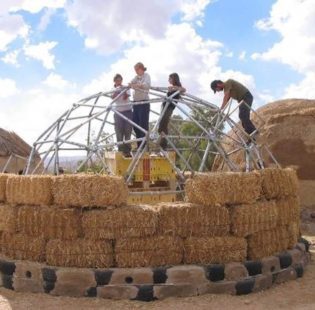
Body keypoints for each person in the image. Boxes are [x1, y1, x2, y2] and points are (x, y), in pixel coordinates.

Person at [158, 73, 186, 150]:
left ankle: (163, 146)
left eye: (169, 78)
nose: (168, 80)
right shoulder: (173, 88)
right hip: (164, 107)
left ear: (174, 79)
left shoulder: (177, 87)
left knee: (162, 126)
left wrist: (174, 88)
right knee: (162, 126)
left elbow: (183, 90)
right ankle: (162, 145)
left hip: (169, 108)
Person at [128, 62, 151, 150]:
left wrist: (137, 85)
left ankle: (144, 146)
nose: (136, 72)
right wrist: (132, 84)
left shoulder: (146, 76)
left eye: (137, 69)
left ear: (141, 68)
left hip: (144, 103)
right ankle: (139, 145)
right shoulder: (136, 77)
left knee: (143, 125)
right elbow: (130, 83)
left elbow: (146, 85)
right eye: (135, 70)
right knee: (135, 124)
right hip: (136, 104)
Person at [112, 73, 133, 157]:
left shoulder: (126, 87)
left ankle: (127, 151)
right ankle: (121, 151)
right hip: (118, 113)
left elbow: (125, 97)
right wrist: (117, 90)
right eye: (117, 80)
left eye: (120, 80)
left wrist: (122, 90)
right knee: (119, 132)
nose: (119, 82)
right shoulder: (112, 89)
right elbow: (113, 97)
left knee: (128, 131)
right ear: (114, 81)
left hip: (128, 111)